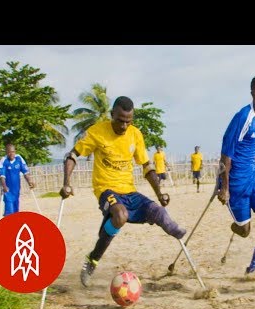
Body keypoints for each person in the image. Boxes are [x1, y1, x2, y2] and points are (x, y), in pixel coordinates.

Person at [59, 96, 187, 287]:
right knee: (120, 215)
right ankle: (93, 259)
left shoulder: (135, 134)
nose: (125, 126)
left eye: (129, 121)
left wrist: (159, 193)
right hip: (106, 189)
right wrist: (66, 183)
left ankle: (174, 231)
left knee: (160, 213)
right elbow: (72, 155)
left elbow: (146, 166)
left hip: (129, 191)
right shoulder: (97, 132)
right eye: (120, 120)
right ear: (112, 115)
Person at [218, 74, 255, 281]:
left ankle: (254, 267)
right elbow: (226, 154)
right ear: (253, 93)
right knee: (244, 230)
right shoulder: (243, 117)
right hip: (237, 182)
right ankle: (237, 225)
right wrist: (224, 187)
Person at [0, 143, 35, 216]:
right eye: (9, 152)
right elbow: (2, 176)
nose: (11, 154)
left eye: (13, 152)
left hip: (16, 189)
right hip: (8, 190)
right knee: (9, 211)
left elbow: (25, 172)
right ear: (6, 152)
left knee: (16, 210)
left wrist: (29, 182)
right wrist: (4, 186)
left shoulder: (19, 159)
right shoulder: (4, 161)